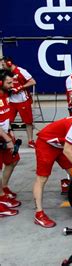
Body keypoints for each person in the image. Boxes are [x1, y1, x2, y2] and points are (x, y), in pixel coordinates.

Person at [2, 57, 37, 148]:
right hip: (10, 101)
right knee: (7, 120)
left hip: (23, 100)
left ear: (9, 63)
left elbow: (33, 81)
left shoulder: (21, 71)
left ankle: (30, 140)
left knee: (28, 121)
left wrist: (20, 87)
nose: (2, 66)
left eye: (3, 64)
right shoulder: (4, 74)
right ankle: (12, 138)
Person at [0, 70, 21, 217]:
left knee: (13, 160)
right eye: (9, 83)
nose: (11, 85)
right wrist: (6, 139)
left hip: (6, 134)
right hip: (2, 138)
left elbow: (5, 116)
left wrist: (11, 132)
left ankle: (4, 188)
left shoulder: (6, 96)